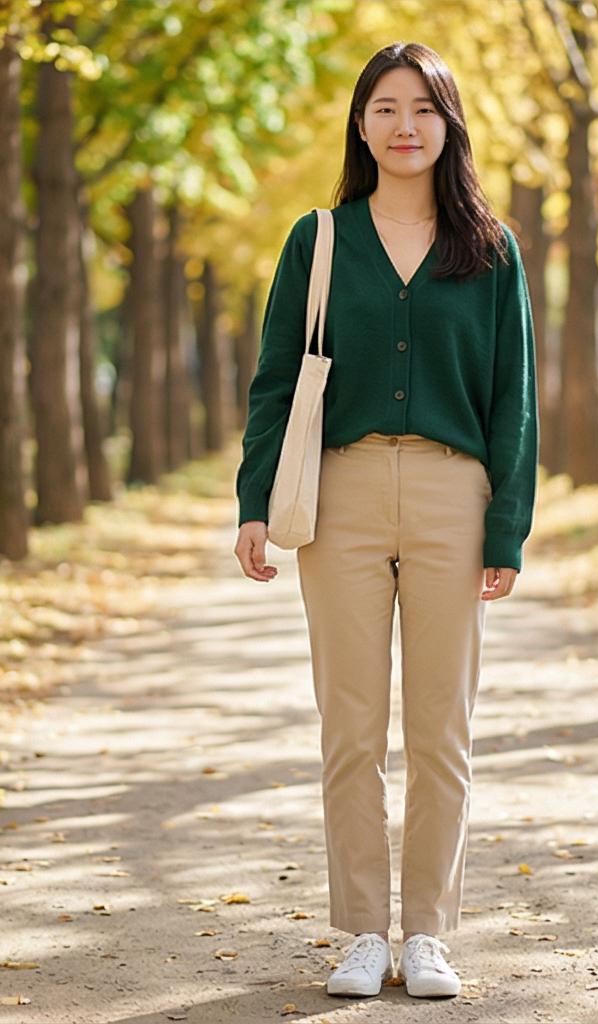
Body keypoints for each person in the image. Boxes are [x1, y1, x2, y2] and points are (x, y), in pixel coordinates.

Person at [233, 41, 538, 1000]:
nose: (405, 126)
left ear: (449, 125)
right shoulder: (318, 238)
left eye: (424, 109)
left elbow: (513, 397)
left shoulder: (489, 248)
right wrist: (253, 504)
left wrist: (508, 529)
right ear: (362, 126)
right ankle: (364, 930)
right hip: (342, 494)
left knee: (443, 727)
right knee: (352, 728)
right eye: (385, 109)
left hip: (456, 495)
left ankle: (431, 934)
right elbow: (277, 378)